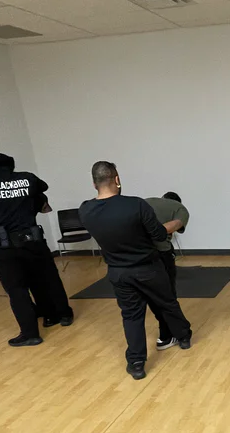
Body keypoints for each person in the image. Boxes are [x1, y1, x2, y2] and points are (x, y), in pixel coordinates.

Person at [79, 162, 192, 380]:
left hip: (118, 272)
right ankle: (184, 337)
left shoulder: (85, 210)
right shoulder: (135, 205)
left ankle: (137, 363)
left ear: (94, 183)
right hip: (148, 268)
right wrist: (177, 222)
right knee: (167, 303)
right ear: (117, 179)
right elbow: (159, 235)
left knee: (131, 316)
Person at [0, 152, 73, 347]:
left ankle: (30, 333)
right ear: (12, 167)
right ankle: (61, 315)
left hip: (5, 247)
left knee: (17, 289)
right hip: (33, 241)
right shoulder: (27, 178)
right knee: (46, 279)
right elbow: (42, 188)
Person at [144, 191, 189, 350]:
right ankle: (179, 336)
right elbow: (175, 227)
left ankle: (168, 335)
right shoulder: (180, 209)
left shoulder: (146, 202)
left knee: (151, 297)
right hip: (162, 255)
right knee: (168, 297)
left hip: (140, 256)